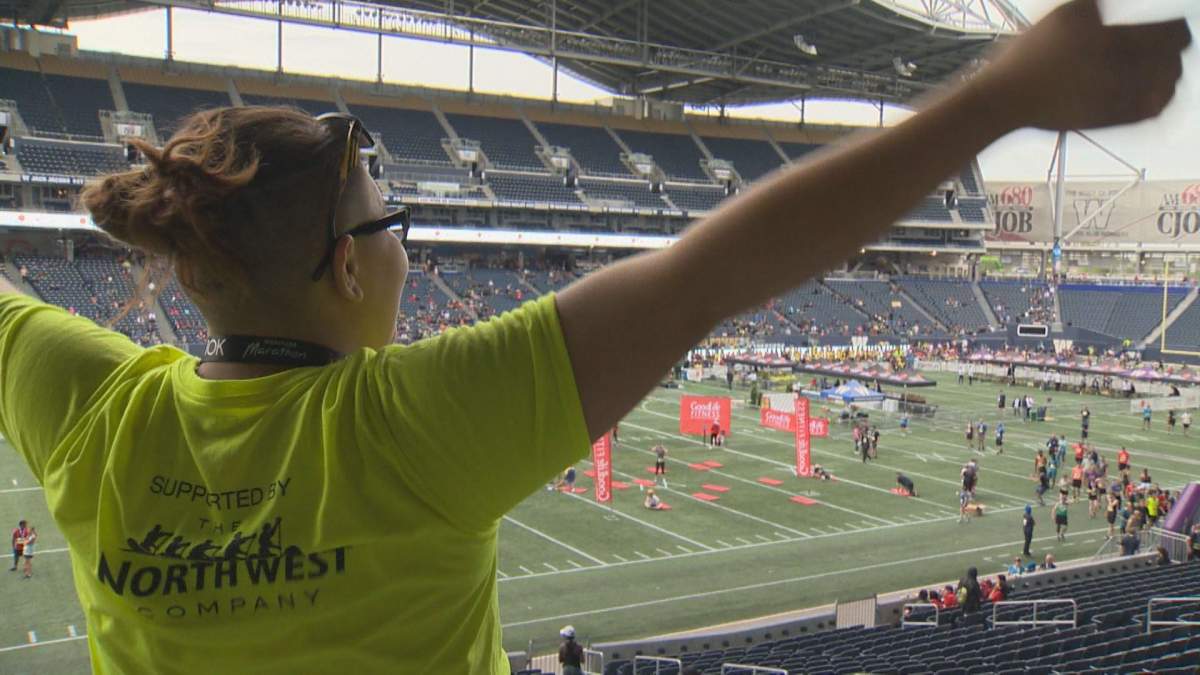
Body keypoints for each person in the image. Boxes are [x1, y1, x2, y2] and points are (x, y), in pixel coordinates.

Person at [0, 4, 1187, 671]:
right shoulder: (413, 425)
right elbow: (716, 268)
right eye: (393, 220)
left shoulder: (89, 405)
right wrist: (1000, 95)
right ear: (349, 263)